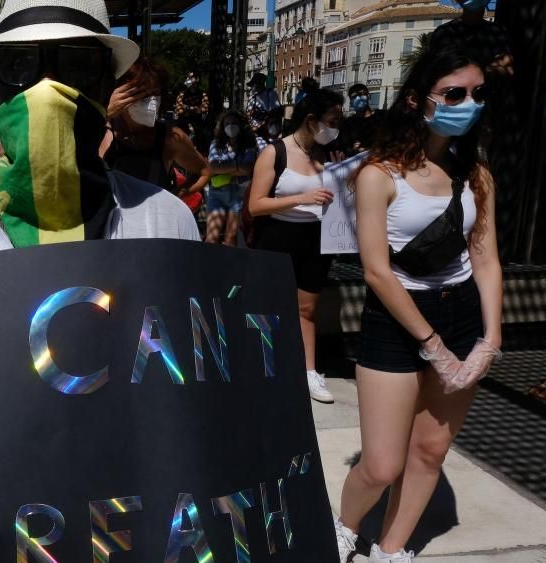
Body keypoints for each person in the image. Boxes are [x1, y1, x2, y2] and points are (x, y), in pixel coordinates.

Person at [0, 0, 199, 300]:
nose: (47, 87)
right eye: (19, 64)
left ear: (107, 87)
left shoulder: (168, 222)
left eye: (78, 65)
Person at [334, 46, 502, 563]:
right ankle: (342, 527)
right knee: (381, 465)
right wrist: (431, 345)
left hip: (462, 314)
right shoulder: (379, 175)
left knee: (430, 451)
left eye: (476, 94)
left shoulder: (476, 174)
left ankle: (392, 548)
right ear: (418, 99)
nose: (467, 103)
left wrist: (489, 340)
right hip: (397, 320)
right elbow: (377, 271)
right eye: (454, 93)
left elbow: (487, 259)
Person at [246, 87, 344, 403]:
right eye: (333, 120)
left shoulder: (329, 153)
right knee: (267, 305)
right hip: (276, 236)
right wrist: (300, 198)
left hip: (315, 238)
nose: (336, 127)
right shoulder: (276, 152)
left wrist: (343, 175)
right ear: (312, 120)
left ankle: (308, 372)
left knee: (307, 308)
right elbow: (255, 205)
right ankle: (263, 368)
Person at [102, 57, 212, 213]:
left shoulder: (170, 138)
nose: (152, 101)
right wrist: (103, 115)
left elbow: (203, 172)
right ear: (119, 93)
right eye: (143, 93)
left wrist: (172, 197)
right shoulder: (100, 131)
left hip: (150, 230)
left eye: (156, 93)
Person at [206, 110, 263, 245]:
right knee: (211, 238)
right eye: (227, 123)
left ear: (241, 126)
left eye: (234, 123)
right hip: (217, 193)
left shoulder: (248, 145)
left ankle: (229, 265)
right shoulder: (216, 144)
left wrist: (224, 168)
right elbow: (213, 167)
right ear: (222, 127)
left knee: (231, 237)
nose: (231, 126)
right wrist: (237, 166)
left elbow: (248, 169)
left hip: (238, 194)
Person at [337, 83, 383, 156]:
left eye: (361, 94)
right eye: (354, 96)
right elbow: (343, 148)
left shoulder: (383, 116)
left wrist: (370, 150)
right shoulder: (347, 124)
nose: (358, 97)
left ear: (369, 97)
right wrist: (353, 150)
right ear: (351, 103)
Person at [174, 71, 209, 138]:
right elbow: (179, 110)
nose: (193, 86)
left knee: (202, 142)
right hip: (182, 125)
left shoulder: (203, 95)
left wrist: (187, 108)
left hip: (197, 125)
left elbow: (204, 109)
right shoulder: (181, 94)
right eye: (192, 84)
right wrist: (196, 109)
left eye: (195, 84)